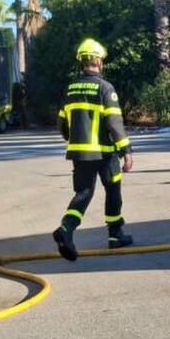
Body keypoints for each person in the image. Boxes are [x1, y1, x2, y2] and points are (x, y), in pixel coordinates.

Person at [51, 38, 134, 261]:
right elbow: (114, 123)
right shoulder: (106, 88)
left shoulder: (70, 89)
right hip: (104, 152)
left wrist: (73, 140)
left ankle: (67, 228)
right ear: (98, 61)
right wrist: (126, 151)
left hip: (79, 153)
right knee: (113, 190)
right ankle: (115, 235)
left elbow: (61, 122)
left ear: (82, 61)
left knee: (83, 193)